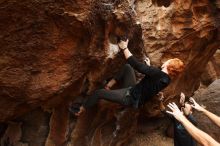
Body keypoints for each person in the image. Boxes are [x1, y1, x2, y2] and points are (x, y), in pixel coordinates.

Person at [74, 39, 184, 116]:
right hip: (135, 92)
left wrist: (124, 48)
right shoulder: (166, 79)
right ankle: (109, 85)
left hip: (130, 97)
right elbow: (153, 79)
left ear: (169, 66)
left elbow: (135, 64)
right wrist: (148, 67)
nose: (167, 60)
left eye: (169, 60)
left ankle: (80, 110)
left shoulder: (157, 73)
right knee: (127, 68)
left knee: (99, 93)